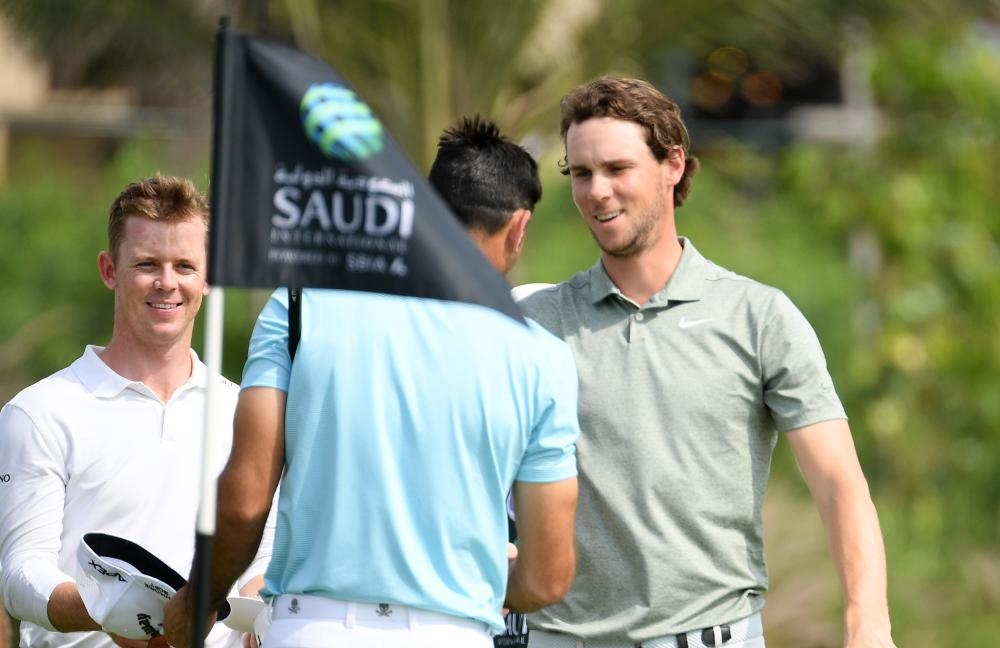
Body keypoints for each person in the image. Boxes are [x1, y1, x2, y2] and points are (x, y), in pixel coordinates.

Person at [161, 117, 581, 648]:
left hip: (310, 628)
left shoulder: (299, 304)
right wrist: (474, 582)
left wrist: (197, 601)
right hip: (452, 633)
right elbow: (548, 578)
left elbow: (246, 499)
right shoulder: (543, 357)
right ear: (519, 227)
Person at [517, 76, 897, 648]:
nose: (597, 191)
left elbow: (840, 486)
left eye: (617, 169)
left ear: (673, 164)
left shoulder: (759, 317)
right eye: (582, 173)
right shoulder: (536, 324)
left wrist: (867, 624)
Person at [0, 175, 272, 648]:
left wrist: (262, 625)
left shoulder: (245, 412)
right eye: (147, 264)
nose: (167, 282)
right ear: (109, 269)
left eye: (185, 265)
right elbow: (20, 575)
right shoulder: (39, 412)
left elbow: (265, 563)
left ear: (208, 278)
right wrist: (114, 612)